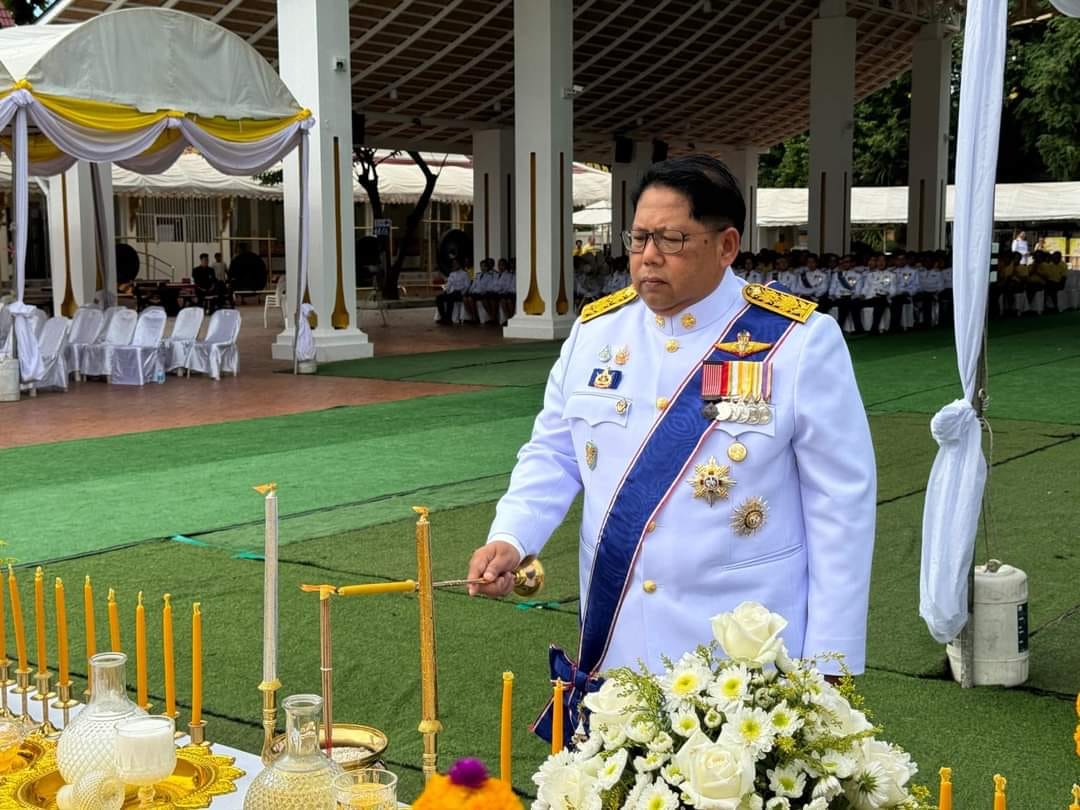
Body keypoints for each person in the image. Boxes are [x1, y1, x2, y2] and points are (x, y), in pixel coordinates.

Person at [465, 155, 876, 742]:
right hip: (619, 635)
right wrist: (511, 536)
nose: (647, 256)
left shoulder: (797, 342)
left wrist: (830, 661)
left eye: (671, 239)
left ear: (727, 245)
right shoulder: (596, 332)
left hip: (738, 653)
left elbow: (842, 505)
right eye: (637, 238)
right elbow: (554, 451)